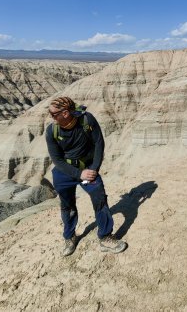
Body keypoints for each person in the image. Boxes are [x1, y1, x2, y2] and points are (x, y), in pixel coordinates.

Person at [46, 96, 127, 256]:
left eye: (53, 114)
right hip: (64, 172)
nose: (51, 117)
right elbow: (57, 159)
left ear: (66, 113)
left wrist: (94, 169)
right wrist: (78, 173)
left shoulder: (87, 120)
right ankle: (69, 237)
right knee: (67, 206)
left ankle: (105, 237)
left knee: (100, 200)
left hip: (88, 169)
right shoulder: (52, 130)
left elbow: (99, 143)